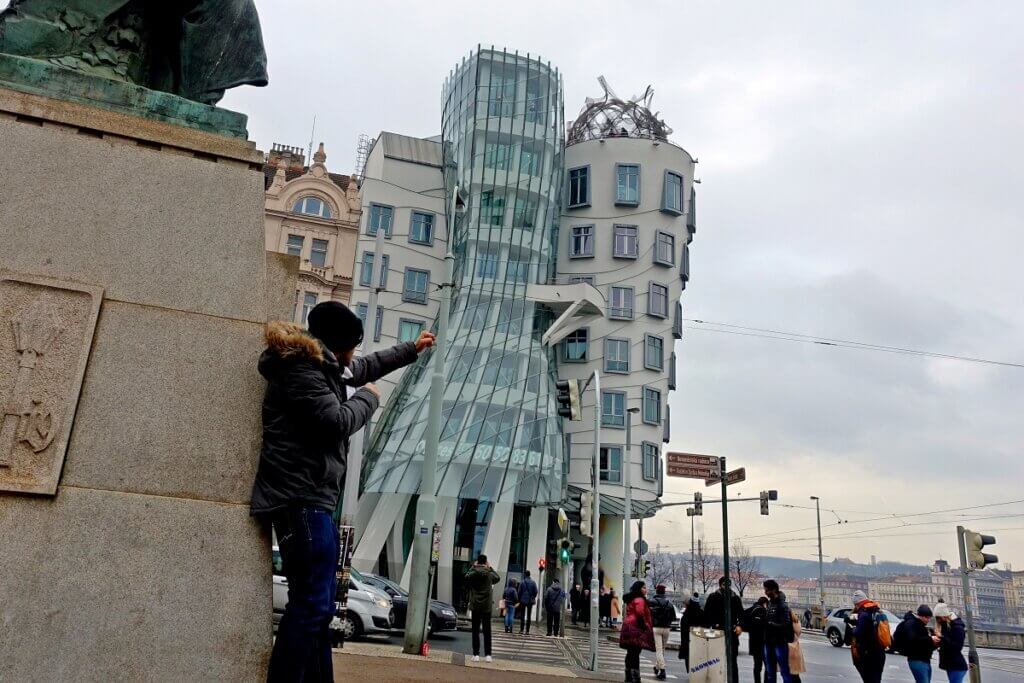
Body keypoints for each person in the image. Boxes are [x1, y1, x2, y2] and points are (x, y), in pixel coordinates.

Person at [251, 302, 430, 682]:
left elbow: (363, 367)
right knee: (313, 606)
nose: (354, 354)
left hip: (311, 501)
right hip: (302, 501)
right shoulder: (302, 371)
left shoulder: (321, 366)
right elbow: (336, 422)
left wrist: (411, 350)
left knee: (317, 608)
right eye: (351, 346)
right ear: (336, 345)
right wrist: (368, 398)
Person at [704, 576, 744, 678]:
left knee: (732, 661)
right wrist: (710, 626)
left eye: (728, 584)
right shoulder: (713, 597)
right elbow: (707, 614)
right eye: (724, 584)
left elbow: (741, 615)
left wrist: (740, 625)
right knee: (716, 660)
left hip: (731, 631)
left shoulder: (735, 597)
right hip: (718, 631)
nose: (727, 587)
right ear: (720, 585)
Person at [465, 554, 501, 662]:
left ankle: (476, 655)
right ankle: (488, 655)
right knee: (487, 631)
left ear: (477, 562)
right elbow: (498, 578)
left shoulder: (473, 573)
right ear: (485, 562)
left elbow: (466, 577)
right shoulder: (489, 574)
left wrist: (473, 567)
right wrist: (490, 568)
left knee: (475, 630)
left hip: (475, 605)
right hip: (486, 606)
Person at [619, 580, 655, 683]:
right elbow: (639, 613)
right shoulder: (640, 599)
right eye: (644, 588)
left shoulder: (631, 599)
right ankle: (636, 678)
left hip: (628, 626)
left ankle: (628, 676)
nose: (646, 590)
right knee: (635, 653)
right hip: (635, 627)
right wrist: (644, 626)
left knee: (630, 653)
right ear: (639, 589)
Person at [849, 590, 888, 683]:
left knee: (869, 680)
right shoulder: (877, 610)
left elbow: (858, 633)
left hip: (868, 654)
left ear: (857, 603)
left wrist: (853, 628)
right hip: (880, 652)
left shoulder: (863, 614)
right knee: (876, 680)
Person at [894, 605, 936, 682]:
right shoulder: (913, 624)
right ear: (920, 616)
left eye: (929, 617)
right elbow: (915, 640)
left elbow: (924, 644)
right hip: (917, 659)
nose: (928, 620)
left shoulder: (919, 624)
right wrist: (931, 639)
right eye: (926, 617)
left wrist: (934, 642)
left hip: (923, 659)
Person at [763, 580, 795, 683]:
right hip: (769, 642)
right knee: (770, 673)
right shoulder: (770, 604)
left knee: (784, 671)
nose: (765, 593)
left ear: (774, 590)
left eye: (767, 590)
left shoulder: (782, 605)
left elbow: (785, 624)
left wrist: (770, 624)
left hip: (779, 642)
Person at [933, 602, 968, 683]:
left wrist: (941, 637)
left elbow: (956, 647)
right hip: (950, 664)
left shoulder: (957, 628)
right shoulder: (946, 626)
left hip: (957, 665)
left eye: (938, 618)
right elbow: (946, 643)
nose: (937, 620)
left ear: (944, 616)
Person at [648, 584, 675, 680]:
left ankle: (662, 671)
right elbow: (673, 617)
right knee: (662, 650)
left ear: (656, 591)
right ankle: (657, 667)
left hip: (656, 628)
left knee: (659, 650)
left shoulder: (652, 602)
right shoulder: (669, 603)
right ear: (664, 592)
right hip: (667, 629)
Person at [743, 597, 769, 683]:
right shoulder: (762, 611)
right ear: (765, 604)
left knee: (757, 666)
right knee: (768, 666)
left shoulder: (751, 609)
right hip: (763, 642)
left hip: (754, 642)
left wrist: (749, 629)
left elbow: (743, 617)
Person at [678, 593, 704, 671]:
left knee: (688, 656)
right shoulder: (701, 613)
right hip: (699, 639)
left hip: (688, 640)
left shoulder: (686, 614)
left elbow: (683, 630)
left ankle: (690, 670)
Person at [518, 570, 538, 634]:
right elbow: (536, 591)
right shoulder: (533, 582)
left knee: (522, 615)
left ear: (525, 575)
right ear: (530, 575)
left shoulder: (522, 582)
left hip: (523, 601)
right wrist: (533, 597)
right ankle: (527, 631)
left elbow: (519, 592)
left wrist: (520, 598)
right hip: (530, 601)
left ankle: (521, 630)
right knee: (529, 616)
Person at [789, 610, 806, 683]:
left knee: (790, 674)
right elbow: (798, 632)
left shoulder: (787, 622)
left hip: (789, 649)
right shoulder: (796, 622)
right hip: (796, 648)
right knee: (795, 674)